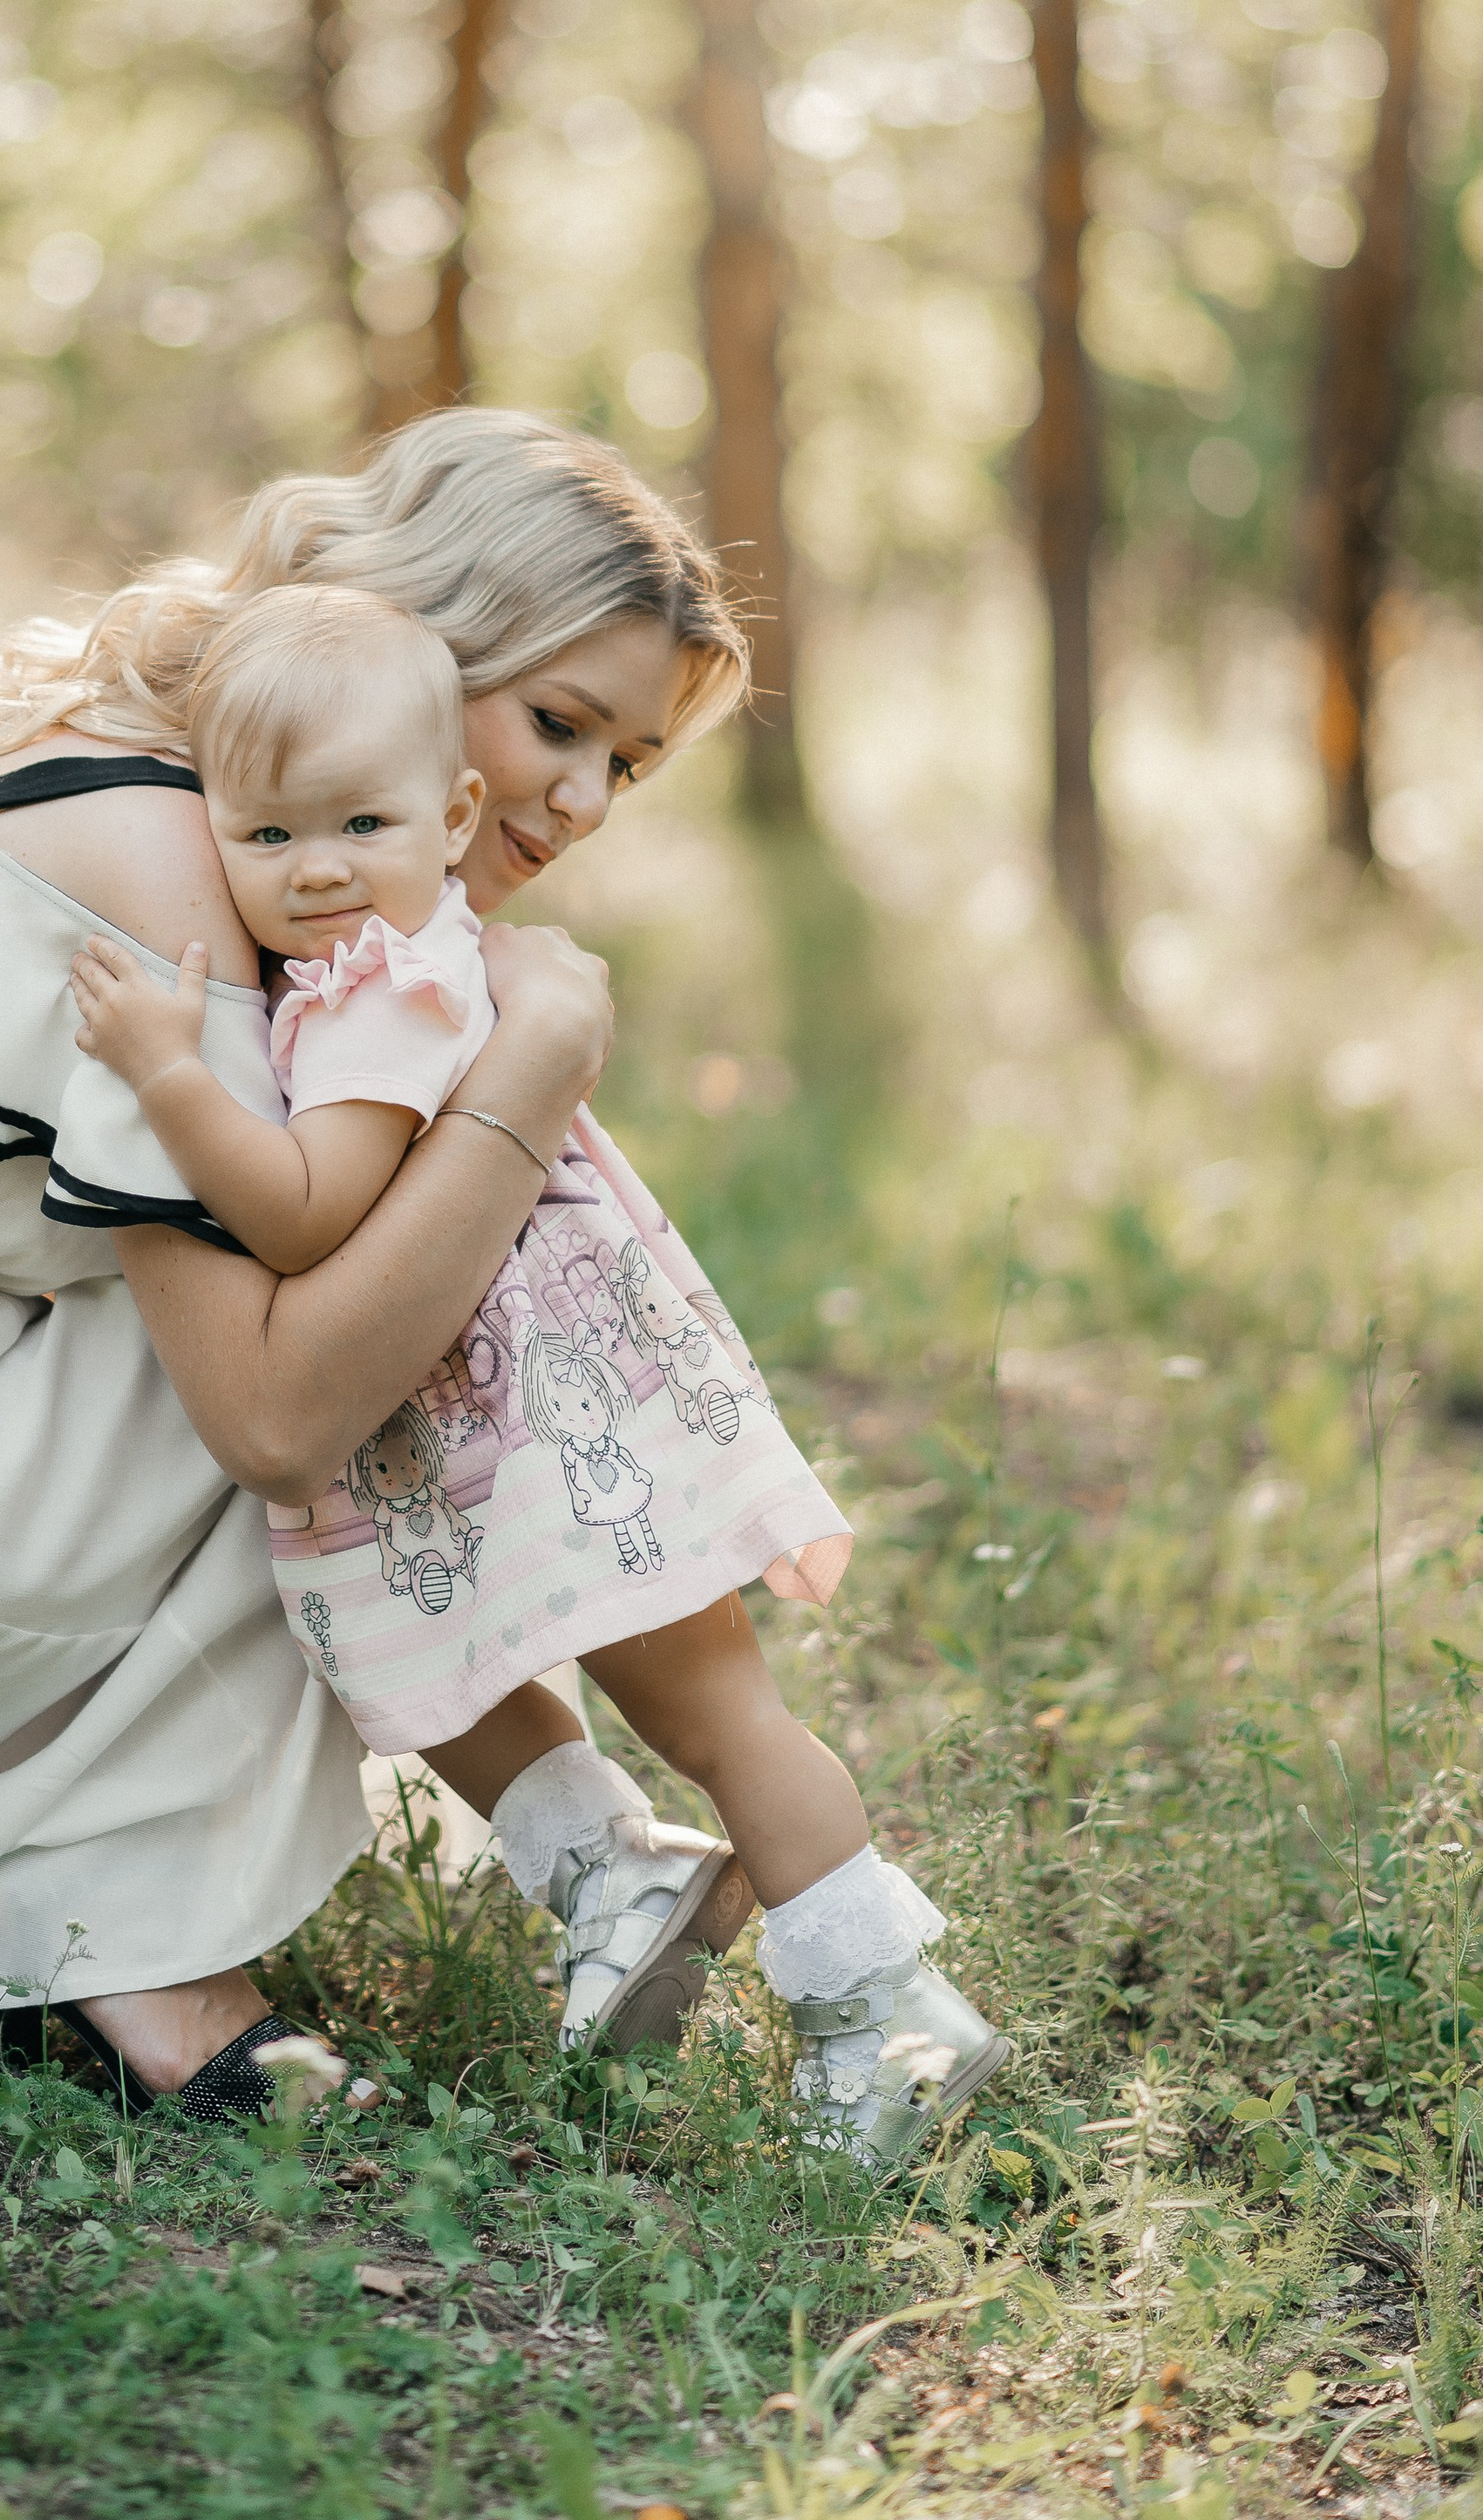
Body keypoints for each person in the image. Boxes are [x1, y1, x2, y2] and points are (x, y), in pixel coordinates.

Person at [0, 411, 996, 2153]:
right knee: (356, 1325)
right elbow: (281, 1413)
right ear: (415, 626)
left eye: (627, 763)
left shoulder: (197, 783)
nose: (576, 803)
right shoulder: (186, 868)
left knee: (370, 1267)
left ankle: (565, 1854)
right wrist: (534, 1070)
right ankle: (172, 1941)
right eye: (553, 722)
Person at [65, 580, 1009, 2157]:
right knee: (420, 1659)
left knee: (718, 1710)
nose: (313, 873)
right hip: (476, 1416)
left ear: (449, 815)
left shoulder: (394, 985)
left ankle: (884, 2008)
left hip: (556, 1416)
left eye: (356, 825)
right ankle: (613, 1873)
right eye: (266, 838)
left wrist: (170, 1075)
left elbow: (311, 1216)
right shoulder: (390, 942)